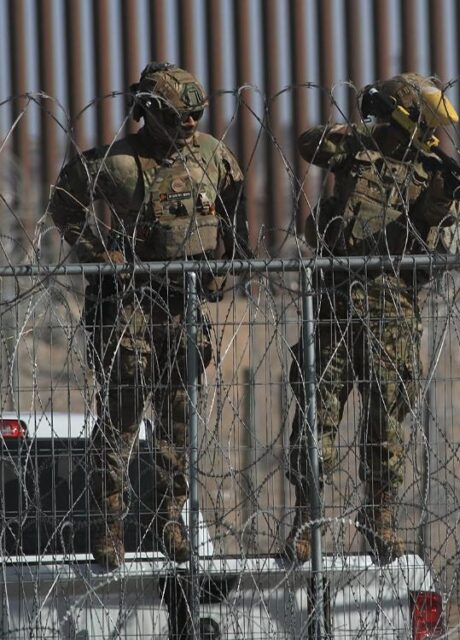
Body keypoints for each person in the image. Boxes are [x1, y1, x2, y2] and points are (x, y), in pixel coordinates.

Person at [48, 62, 248, 569]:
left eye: (195, 119)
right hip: (131, 306)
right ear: (152, 113)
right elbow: (65, 201)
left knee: (178, 421)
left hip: (184, 306)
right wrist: (102, 256)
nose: (189, 128)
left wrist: (228, 267)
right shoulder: (117, 164)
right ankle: (111, 526)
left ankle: (170, 523)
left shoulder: (210, 156)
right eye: (181, 118)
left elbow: (235, 203)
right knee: (121, 415)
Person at [286, 73, 460, 563]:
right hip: (336, 304)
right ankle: (305, 522)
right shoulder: (357, 149)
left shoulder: (435, 174)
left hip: (393, 309)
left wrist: (437, 204)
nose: (431, 136)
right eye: (422, 124)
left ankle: (379, 518)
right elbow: (308, 144)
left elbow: (441, 250)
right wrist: (369, 129)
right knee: (316, 420)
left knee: (386, 426)